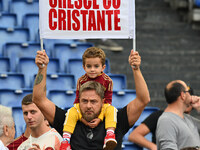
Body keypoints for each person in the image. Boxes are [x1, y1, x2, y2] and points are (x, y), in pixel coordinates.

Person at [32, 49, 150, 150]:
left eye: (93, 101)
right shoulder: (67, 118)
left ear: (103, 101)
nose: (88, 105)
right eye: (84, 101)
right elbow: (38, 99)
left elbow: (143, 100)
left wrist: (136, 69)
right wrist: (42, 68)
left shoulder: (117, 120)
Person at [61, 47, 118, 150]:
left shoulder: (108, 81)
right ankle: (65, 141)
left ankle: (109, 135)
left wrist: (100, 118)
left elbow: (108, 101)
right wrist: (81, 118)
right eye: (89, 66)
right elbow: (77, 101)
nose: (92, 69)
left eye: (96, 66)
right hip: (82, 109)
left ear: (103, 67)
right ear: (84, 67)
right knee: (71, 112)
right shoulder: (81, 80)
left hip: (102, 107)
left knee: (112, 110)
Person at [128, 88, 194, 150]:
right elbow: (134, 135)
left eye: (188, 100)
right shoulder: (159, 115)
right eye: (182, 99)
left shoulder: (194, 123)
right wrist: (154, 147)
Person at [156, 80, 200, 149]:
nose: (191, 95)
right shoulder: (166, 121)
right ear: (183, 95)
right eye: (188, 91)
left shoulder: (189, 119)